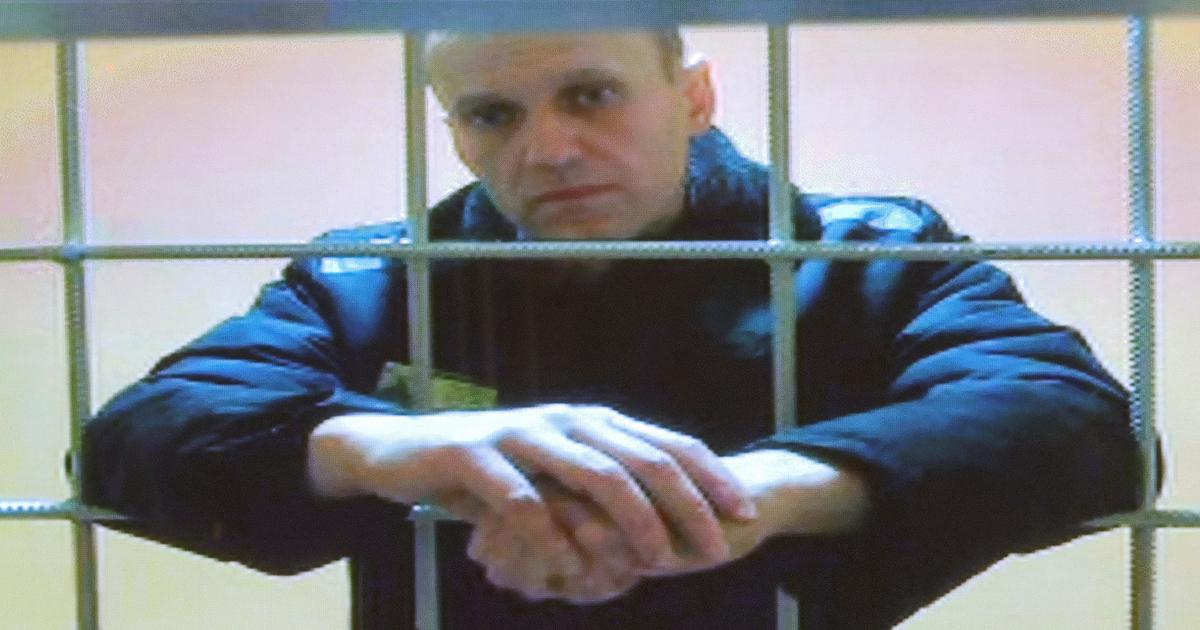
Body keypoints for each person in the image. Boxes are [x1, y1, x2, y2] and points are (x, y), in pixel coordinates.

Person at [83, 29, 1144, 629]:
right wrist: (395, 448)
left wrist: (744, 495)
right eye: (493, 114)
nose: (548, 148)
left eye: (590, 95)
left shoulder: (867, 249)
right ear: (453, 133)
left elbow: (1079, 428)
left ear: (694, 96)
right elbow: (135, 438)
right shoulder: (372, 273)